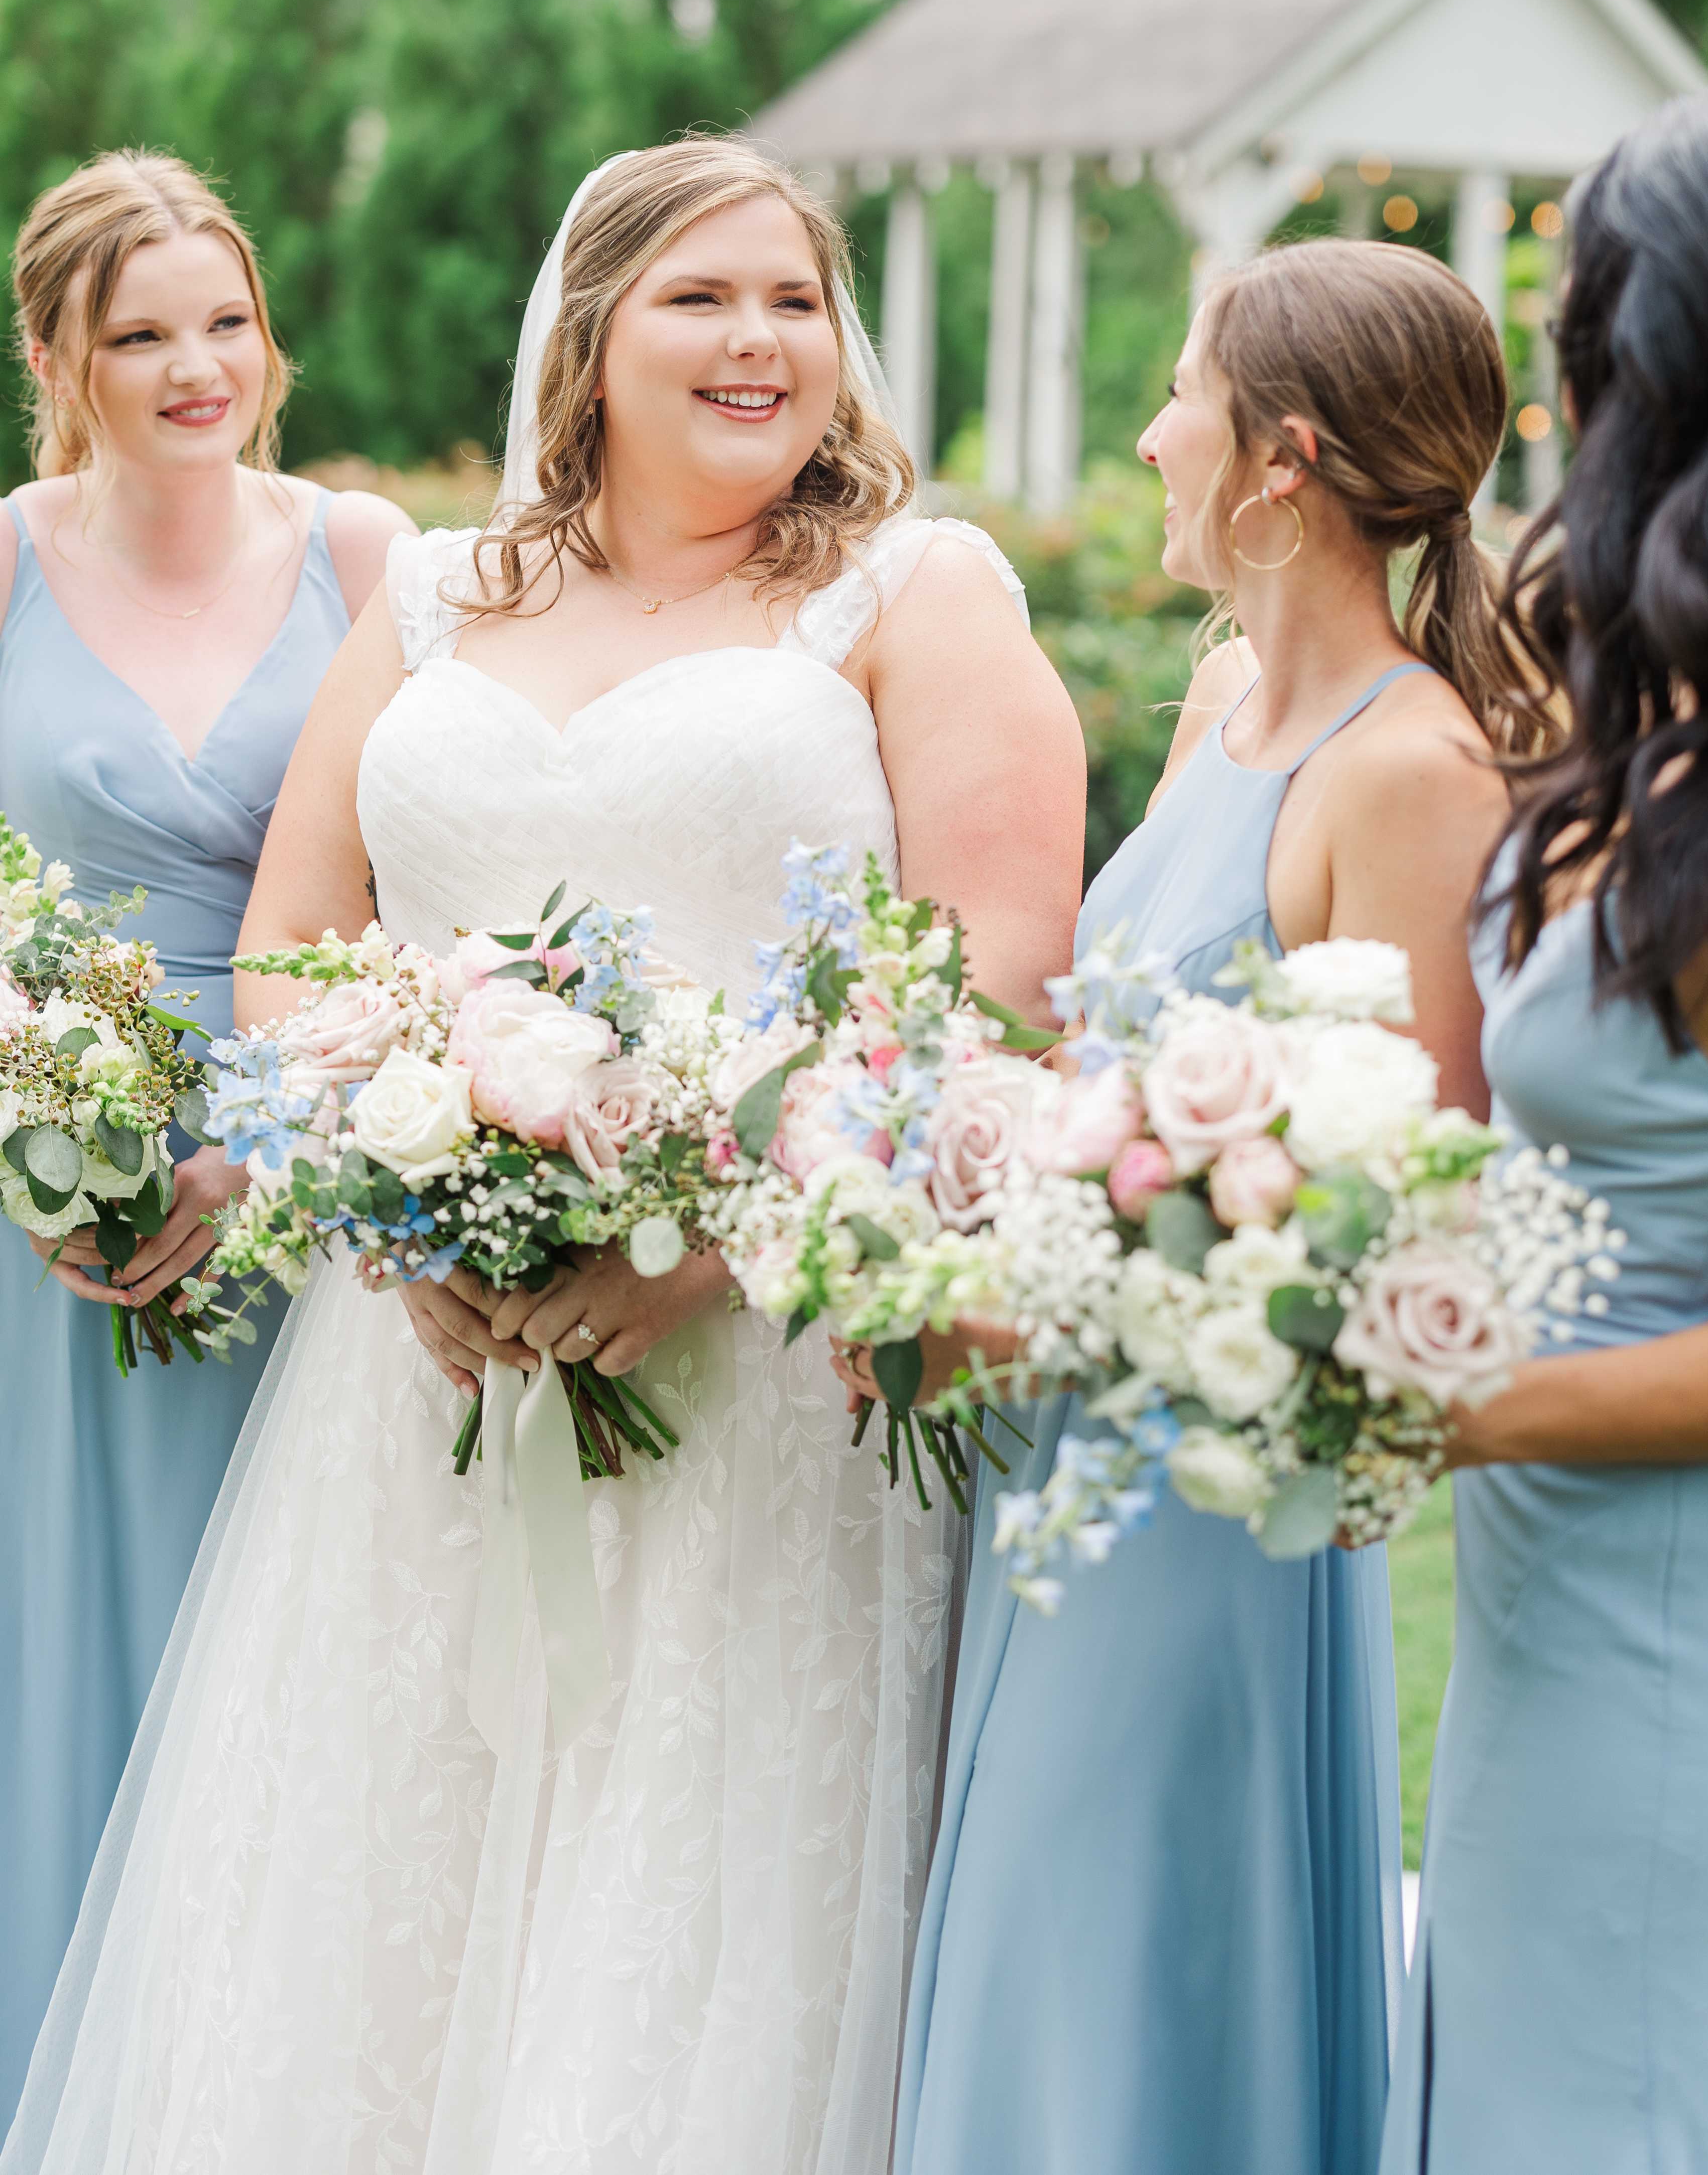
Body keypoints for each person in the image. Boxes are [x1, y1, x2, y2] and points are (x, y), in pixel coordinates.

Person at [3, 135, 1086, 2175]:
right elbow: (297, 945)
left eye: (796, 299)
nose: (762, 339)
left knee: (677, 1944)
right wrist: (404, 1205)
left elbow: (994, 976)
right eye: (703, 296)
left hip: (765, 1376)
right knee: (367, 1928)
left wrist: (713, 1237)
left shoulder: (912, 593)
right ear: (590, 338)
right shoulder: (435, 593)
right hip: (416, 1373)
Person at [879, 237, 1543, 2175]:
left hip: (1206, 1504)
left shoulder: (1415, 771)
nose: (1152, 435)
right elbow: (1107, 1074)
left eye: (1182, 393)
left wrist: (1028, 1304)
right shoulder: (1223, 702)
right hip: (1055, 1457)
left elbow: (1393, 1227)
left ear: (1282, 461)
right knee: (1024, 1975)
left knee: (1124, 1990)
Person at [0, 151, 410, 2132]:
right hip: (46, 1194)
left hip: (305, 1162)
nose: (197, 368)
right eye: (142, 334)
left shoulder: (365, 556)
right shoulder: (4, 563)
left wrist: (274, 1136)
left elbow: (424, 877)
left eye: (226, 322)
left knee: (301, 1662)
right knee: (66, 1640)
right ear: (57, 358)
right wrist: (29, 1097)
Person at [1378, 86, 1708, 2174]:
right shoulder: (1668, 723)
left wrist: (1462, 1407)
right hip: (1552, 1611)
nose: (1554, 374)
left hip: (1686, 1620)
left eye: (1578, 318)